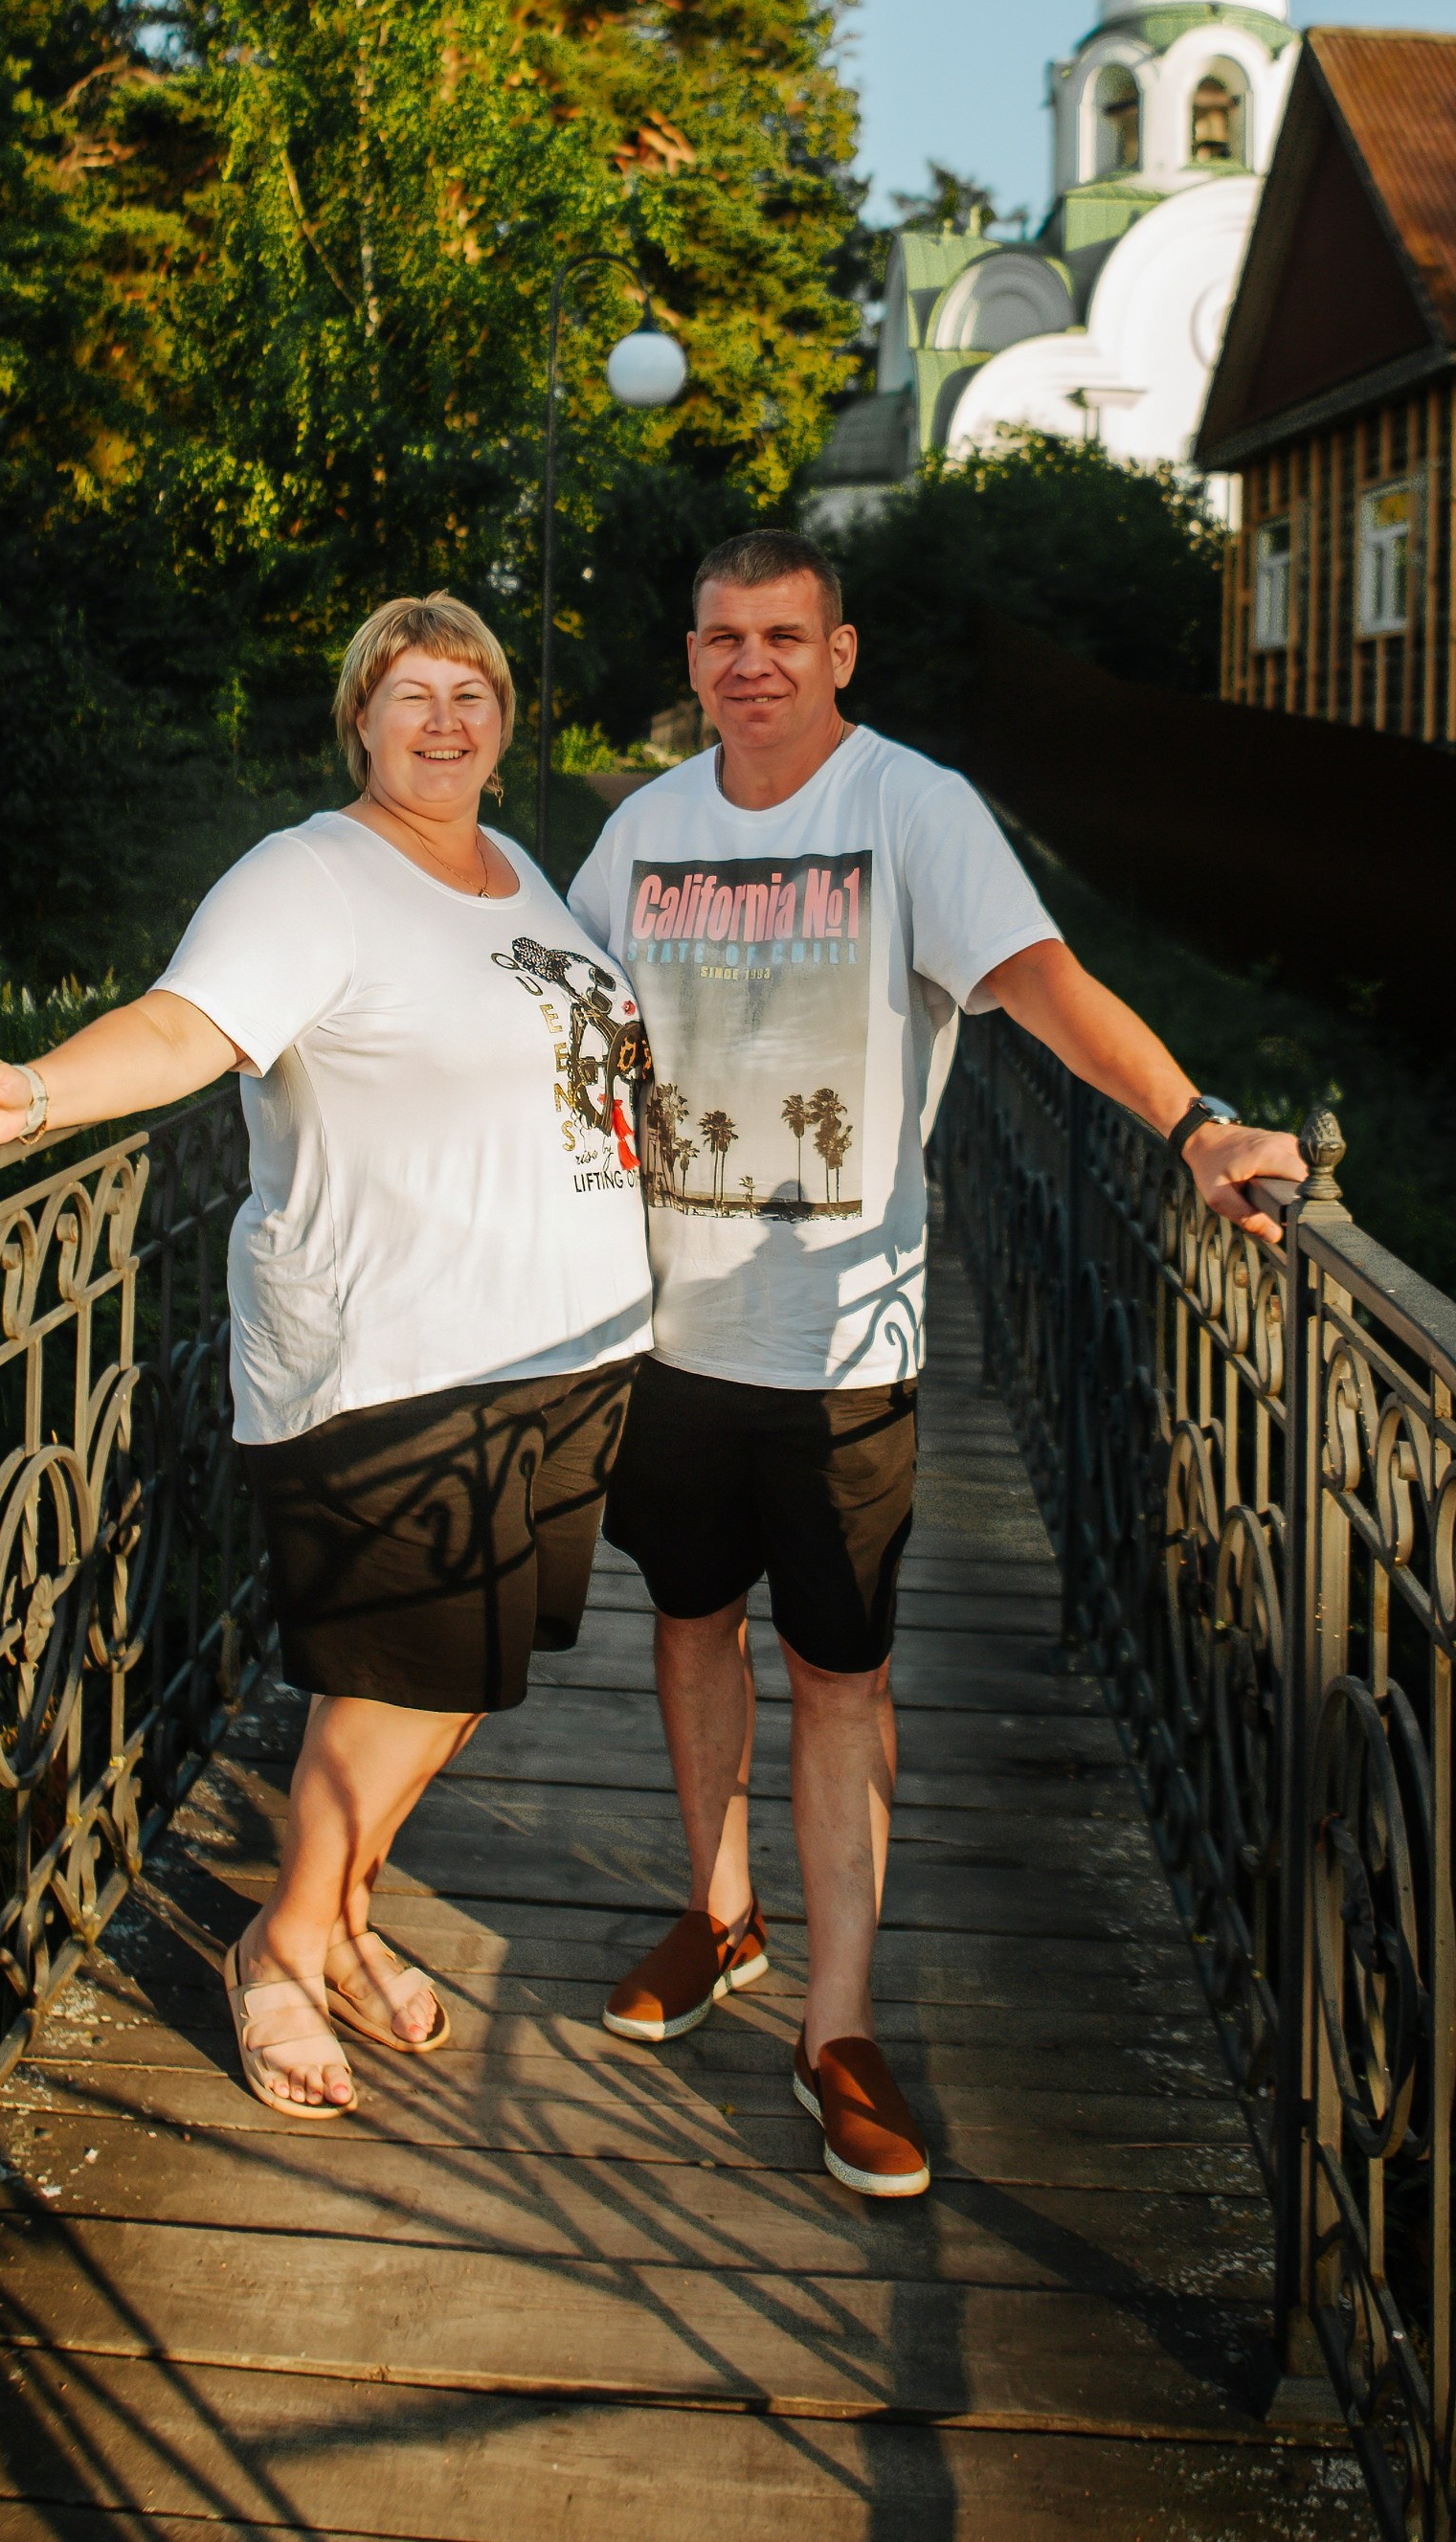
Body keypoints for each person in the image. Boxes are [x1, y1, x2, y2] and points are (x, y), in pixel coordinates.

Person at [568, 529, 1300, 2200]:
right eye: (722, 637)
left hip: (842, 1335)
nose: (750, 664)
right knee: (689, 1626)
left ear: (840, 654)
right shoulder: (644, 832)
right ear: (691, 661)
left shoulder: (915, 808)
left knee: (842, 1675)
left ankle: (839, 2029)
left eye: (783, 636)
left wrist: (1192, 1125)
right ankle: (722, 1917)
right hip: (665, 1329)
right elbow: (549, 1010)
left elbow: (1036, 985)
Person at [0, 594, 652, 2119]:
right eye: (410, 695)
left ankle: (344, 1910)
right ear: (359, 722)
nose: (445, 720)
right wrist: (34, 1098)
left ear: (505, 723)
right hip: (397, 1355)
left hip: (566, 1345)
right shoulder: (310, 876)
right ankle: (279, 1945)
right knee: (397, 1675)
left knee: (456, 1688)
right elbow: (188, 1027)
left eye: (473, 693)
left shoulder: (523, 880)